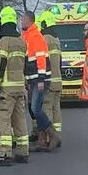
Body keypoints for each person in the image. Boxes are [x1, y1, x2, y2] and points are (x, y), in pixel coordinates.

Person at [0, 6, 29, 166]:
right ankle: (22, 151)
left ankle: (4, 154)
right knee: (19, 119)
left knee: (4, 120)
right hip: (20, 87)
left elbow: (0, 67)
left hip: (7, 88)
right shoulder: (21, 41)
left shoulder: (3, 42)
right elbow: (25, 65)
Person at [22, 11, 59, 151]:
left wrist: (42, 78)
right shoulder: (27, 36)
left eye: (23, 20)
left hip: (39, 79)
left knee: (35, 108)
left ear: (29, 20)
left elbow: (41, 58)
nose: (21, 22)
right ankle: (42, 141)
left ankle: (52, 134)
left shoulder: (36, 37)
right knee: (34, 109)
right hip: (33, 79)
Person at [39, 12, 63, 144]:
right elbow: (60, 62)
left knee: (46, 108)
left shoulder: (44, 39)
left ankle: (50, 137)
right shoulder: (57, 40)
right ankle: (57, 135)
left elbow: (42, 60)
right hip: (58, 80)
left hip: (48, 81)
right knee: (56, 109)